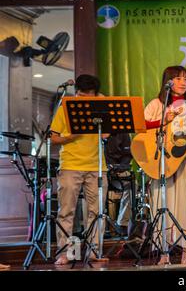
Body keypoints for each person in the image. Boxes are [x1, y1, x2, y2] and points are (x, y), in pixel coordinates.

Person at [144, 65, 186, 265]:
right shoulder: (156, 105)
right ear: (167, 82)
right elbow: (141, 125)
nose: (183, 82)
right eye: (178, 78)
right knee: (163, 204)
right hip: (163, 162)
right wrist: (163, 121)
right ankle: (164, 254)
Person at [50, 74, 109, 265]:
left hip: (97, 165)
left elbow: (107, 133)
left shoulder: (101, 105)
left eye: (89, 96)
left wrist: (101, 102)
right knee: (67, 211)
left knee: (97, 211)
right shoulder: (66, 106)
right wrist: (72, 136)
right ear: (77, 93)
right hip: (70, 165)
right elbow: (54, 137)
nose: (84, 100)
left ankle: (93, 251)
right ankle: (67, 253)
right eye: (81, 96)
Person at [104, 132, 134, 235]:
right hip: (97, 170)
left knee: (132, 184)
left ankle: (122, 223)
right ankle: (98, 226)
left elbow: (127, 155)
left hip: (117, 170)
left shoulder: (122, 132)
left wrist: (119, 168)